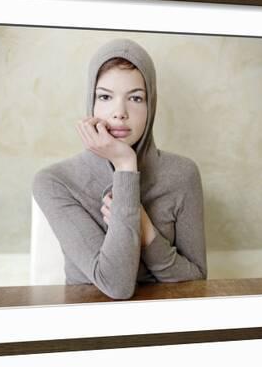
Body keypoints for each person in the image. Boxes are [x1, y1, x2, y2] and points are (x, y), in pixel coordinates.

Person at [32, 38, 207, 300]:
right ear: (90, 102)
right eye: (105, 96)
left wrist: (146, 231)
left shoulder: (183, 174)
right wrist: (125, 166)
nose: (119, 113)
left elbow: (196, 279)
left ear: (151, 106)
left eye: (136, 98)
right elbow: (116, 285)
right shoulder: (55, 181)